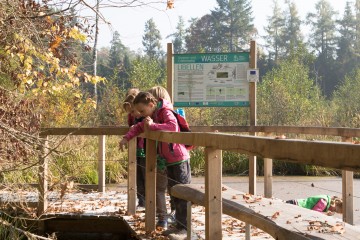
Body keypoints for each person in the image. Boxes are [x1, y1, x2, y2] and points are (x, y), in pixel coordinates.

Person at [119, 92, 191, 239]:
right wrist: (126, 139)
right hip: (169, 160)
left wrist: (153, 126)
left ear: (151, 105)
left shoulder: (165, 112)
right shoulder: (154, 114)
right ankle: (178, 226)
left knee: (182, 194)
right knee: (174, 193)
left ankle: (184, 228)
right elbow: (138, 127)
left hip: (179, 159)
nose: (139, 114)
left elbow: (172, 126)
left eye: (142, 110)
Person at [148, 86, 176, 223]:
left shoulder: (161, 115)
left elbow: (172, 127)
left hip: (163, 158)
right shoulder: (169, 112)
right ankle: (171, 216)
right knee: (172, 188)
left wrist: (153, 126)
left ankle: (163, 218)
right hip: (172, 157)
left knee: (161, 189)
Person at [122, 92, 146, 209]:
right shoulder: (135, 119)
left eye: (132, 112)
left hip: (145, 149)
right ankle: (142, 201)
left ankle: (148, 201)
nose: (132, 115)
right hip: (137, 148)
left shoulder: (145, 118)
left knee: (146, 175)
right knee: (138, 177)